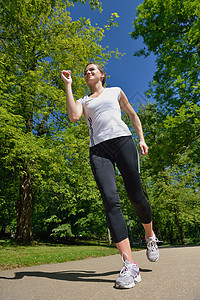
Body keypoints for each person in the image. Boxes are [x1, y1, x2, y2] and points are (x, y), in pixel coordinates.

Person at [61, 63, 159, 289]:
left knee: (136, 197)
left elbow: (133, 115)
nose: (88, 72)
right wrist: (68, 86)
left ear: (102, 75)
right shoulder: (84, 101)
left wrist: (141, 139)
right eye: (85, 71)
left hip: (123, 142)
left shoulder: (115, 91)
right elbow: (74, 117)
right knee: (110, 201)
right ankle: (129, 264)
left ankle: (150, 235)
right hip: (99, 151)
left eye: (92, 69)